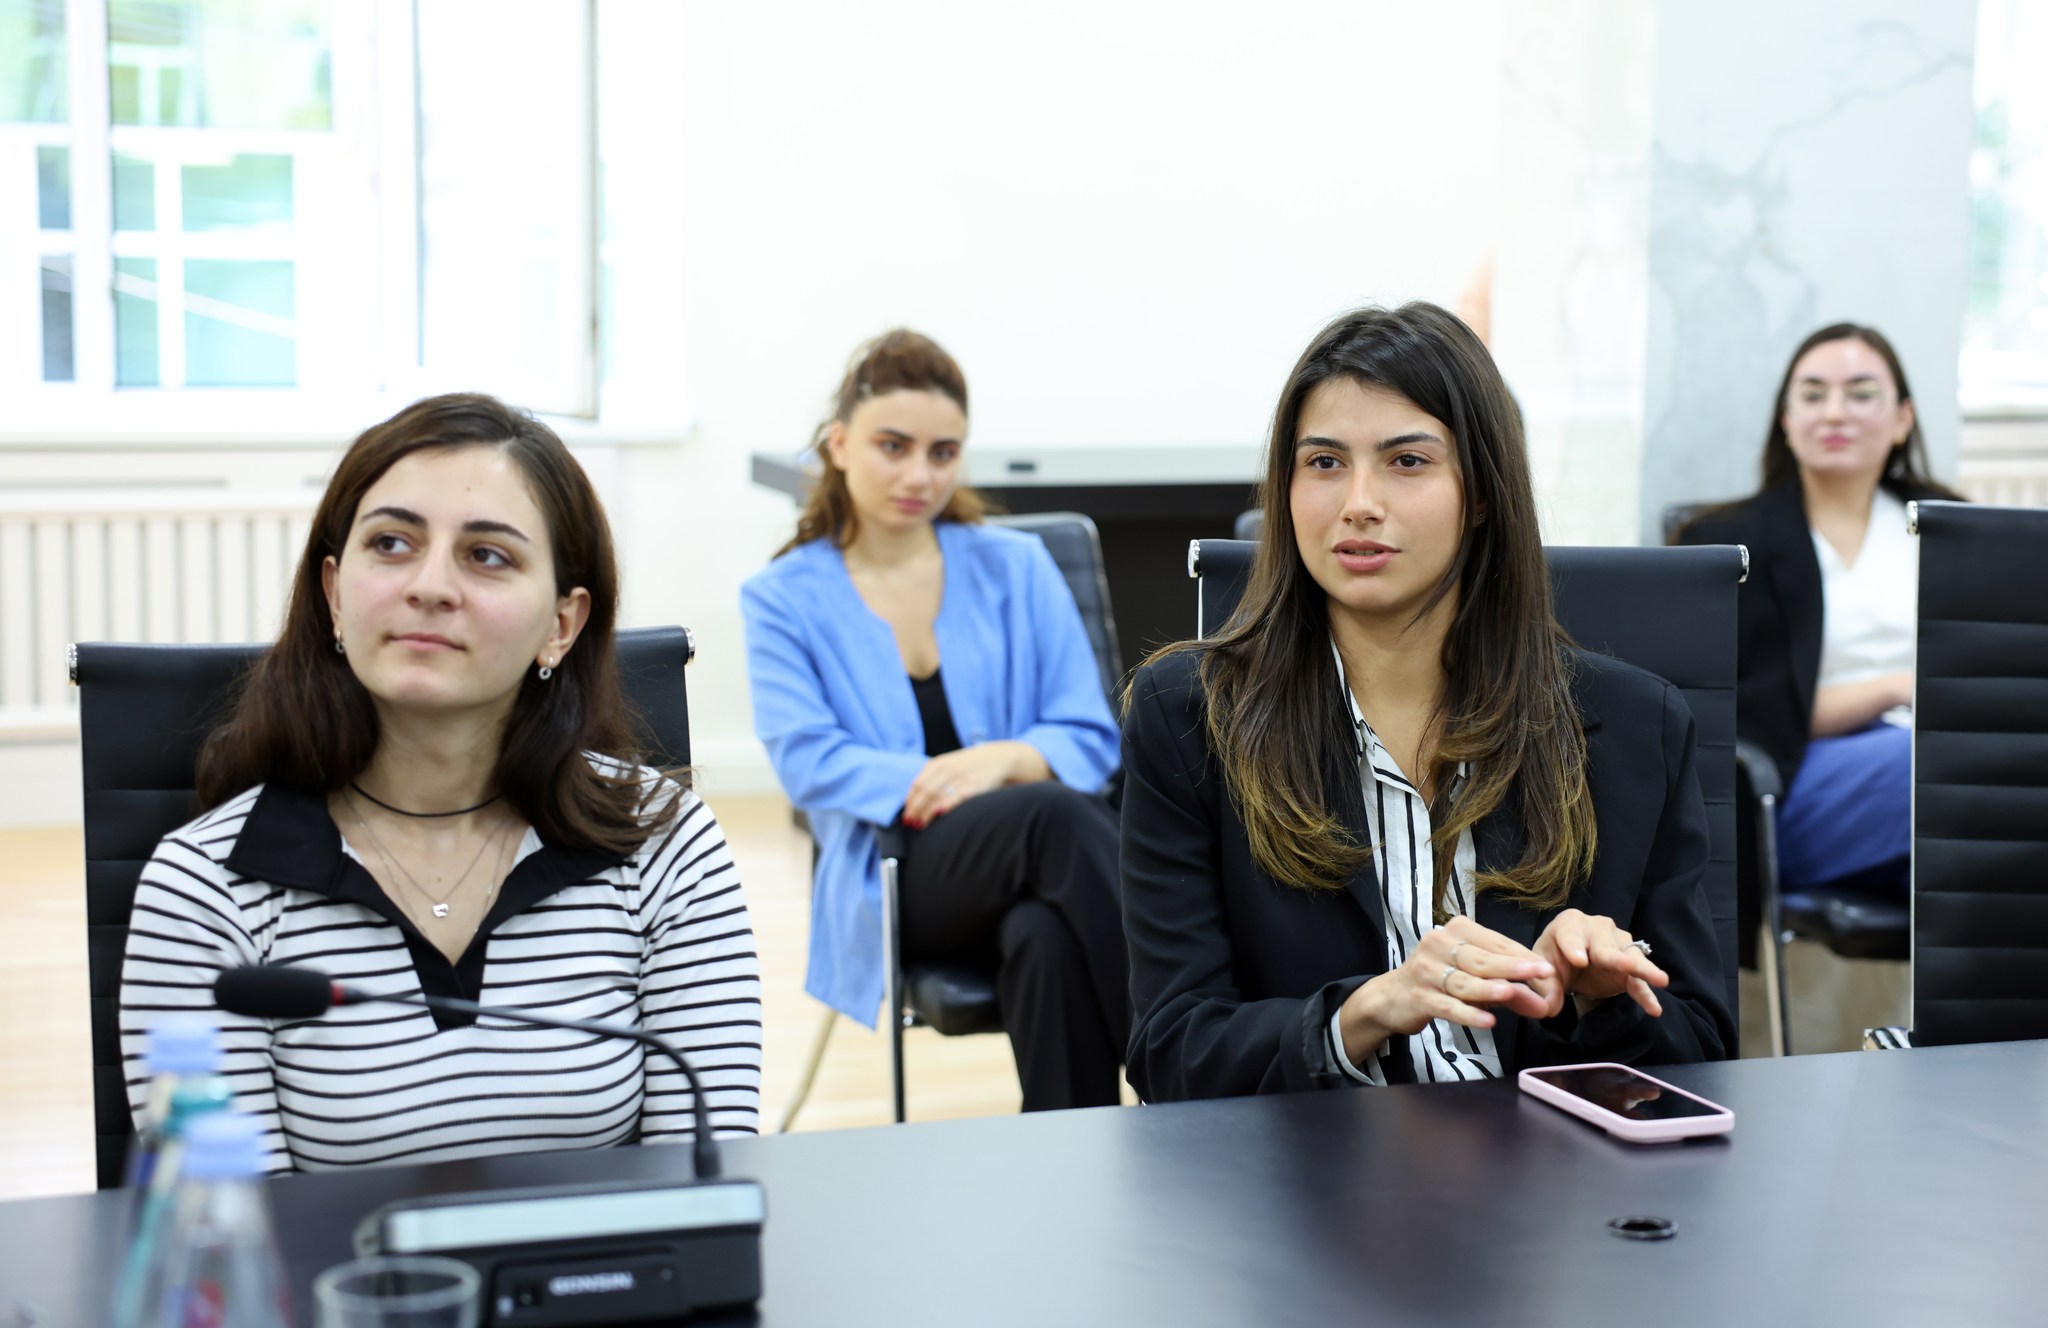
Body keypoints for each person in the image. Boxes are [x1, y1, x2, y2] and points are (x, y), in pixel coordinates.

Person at [118, 394, 762, 1173]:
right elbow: (225, 1225)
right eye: (392, 543)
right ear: (334, 595)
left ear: (561, 625)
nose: (430, 586)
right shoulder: (203, 887)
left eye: (487, 555)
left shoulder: (667, 841)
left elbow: (702, 1179)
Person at [1121, 304, 1732, 1102]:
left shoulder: (1635, 727)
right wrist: (1362, 1013)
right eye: (1324, 462)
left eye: (1407, 462)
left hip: (1549, 1162)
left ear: (1481, 493)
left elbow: (1706, 1049)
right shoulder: (1190, 717)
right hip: (1313, 1160)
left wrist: (1600, 1000)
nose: (1359, 503)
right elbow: (1171, 1050)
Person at [742, 330, 1128, 1111]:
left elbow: (1090, 731)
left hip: (1036, 862)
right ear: (839, 445)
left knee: (1042, 936)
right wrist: (945, 779)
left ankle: (1075, 1158)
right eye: (894, 446)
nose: (920, 474)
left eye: (943, 452)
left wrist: (1002, 760)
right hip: (899, 873)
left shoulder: (1016, 566)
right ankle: (1193, 1077)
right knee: (1052, 817)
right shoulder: (781, 598)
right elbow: (808, 761)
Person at [1678, 324, 1958, 899]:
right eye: (1812, 395)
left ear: (1902, 418)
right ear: (1787, 419)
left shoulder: (1952, 529)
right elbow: (1725, 710)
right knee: (1946, 767)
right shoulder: (1729, 544)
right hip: (1793, 777)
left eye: (1861, 394)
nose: (1835, 413)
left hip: (1931, 768)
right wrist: (1896, 689)